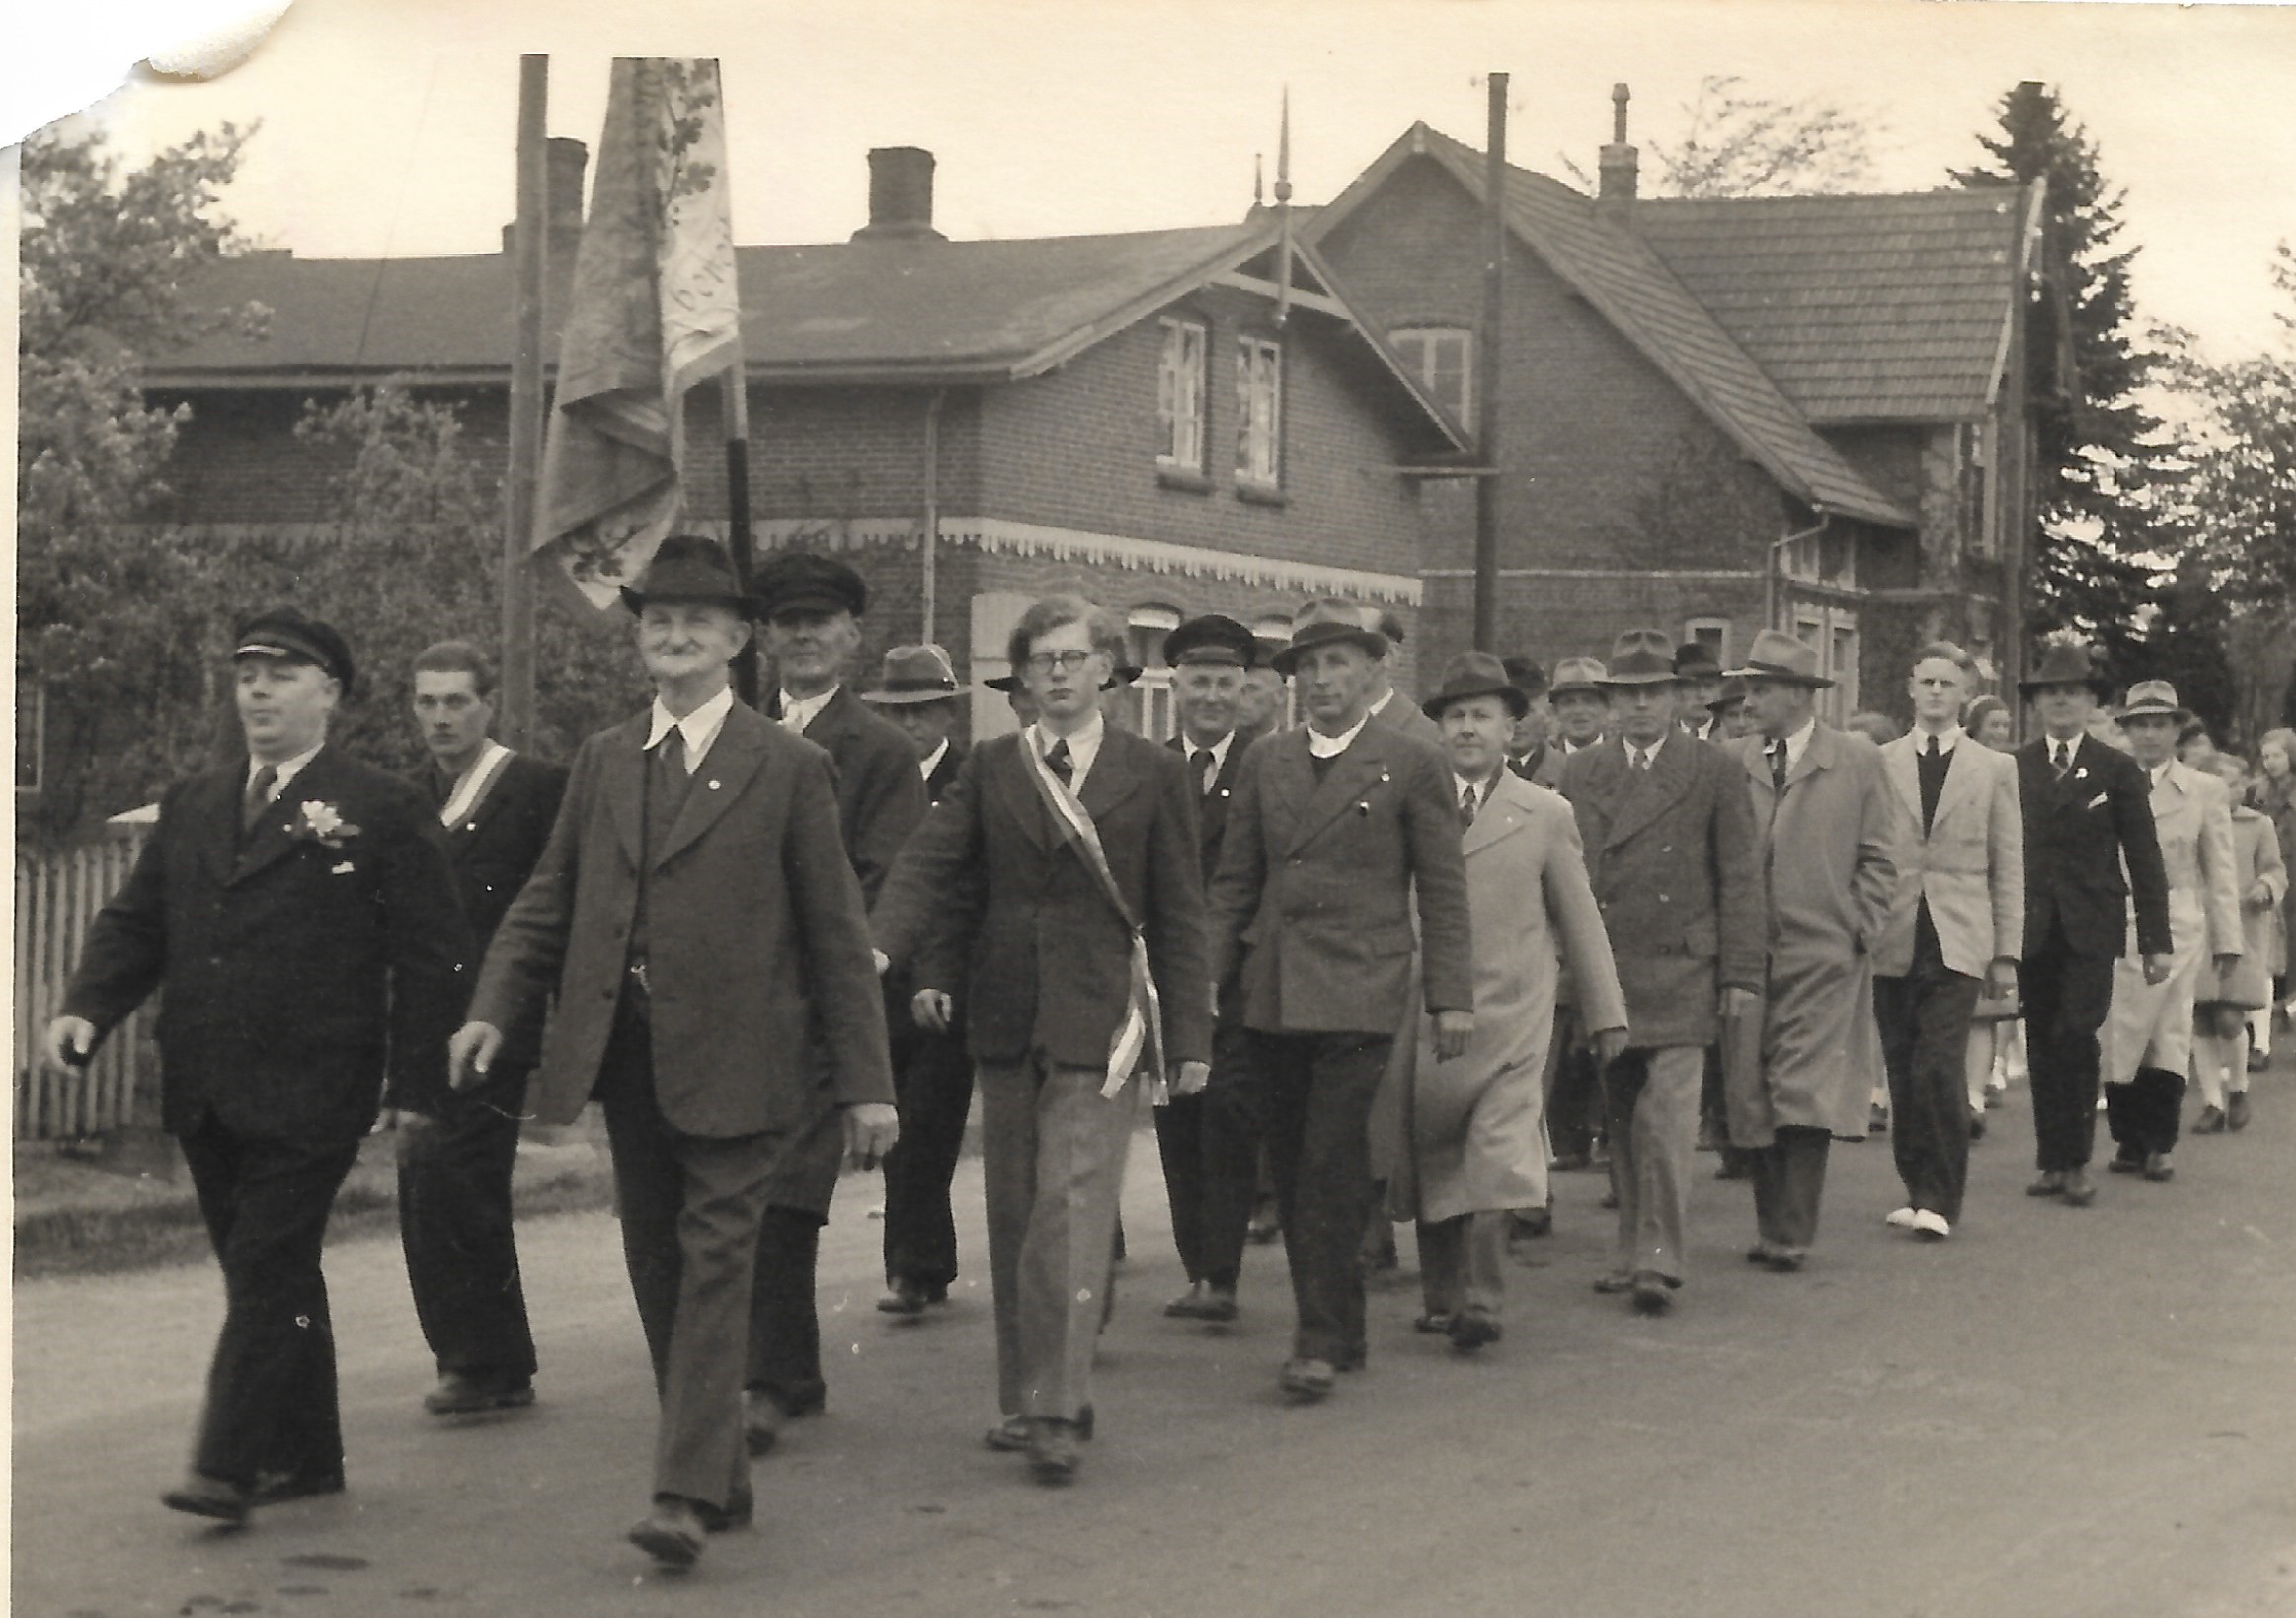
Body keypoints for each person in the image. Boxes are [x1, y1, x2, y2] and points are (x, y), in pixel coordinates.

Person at [452, 536, 897, 1567]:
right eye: (658, 621)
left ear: (739, 641)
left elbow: (836, 937)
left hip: (748, 1071)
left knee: (711, 1276)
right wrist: (493, 1006)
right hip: (628, 1060)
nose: (676, 635)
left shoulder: (789, 766)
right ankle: (718, 1470)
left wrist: (868, 1086)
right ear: (640, 642)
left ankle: (684, 1496)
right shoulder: (608, 760)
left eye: (699, 622)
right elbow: (547, 902)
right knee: (657, 1273)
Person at [48, 608, 469, 1525]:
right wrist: (87, 1007)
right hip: (204, 1084)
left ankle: (225, 1465)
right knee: (266, 1274)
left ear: (330, 695)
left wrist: (416, 1085)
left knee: (270, 1264)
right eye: (248, 676)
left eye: (282, 675)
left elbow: (433, 958)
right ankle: (309, 1455)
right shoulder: (195, 800)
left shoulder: (382, 805)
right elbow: (138, 921)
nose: (260, 692)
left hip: (316, 1086)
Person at [871, 594, 1211, 1487]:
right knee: (1019, 1217)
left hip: (1104, 1023)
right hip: (1007, 1019)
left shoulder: (1153, 772)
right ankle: (1030, 1397)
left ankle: (1057, 1408)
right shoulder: (992, 767)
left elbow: (1179, 912)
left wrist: (1193, 1034)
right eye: (1041, 661)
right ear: (1021, 677)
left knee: (1068, 1213)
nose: (1057, 674)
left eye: (1073, 657)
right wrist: (877, 944)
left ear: (1108, 668)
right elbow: (931, 864)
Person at [1206, 600, 1472, 1403]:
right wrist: (1203, 987)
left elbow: (1444, 890)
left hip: (1362, 988)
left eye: (1336, 665)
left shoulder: (1411, 760)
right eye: (1307, 669)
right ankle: (1341, 1324)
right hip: (1275, 987)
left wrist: (1450, 999)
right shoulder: (1266, 760)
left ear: (1369, 672)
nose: (1321, 681)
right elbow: (1234, 885)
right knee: (1292, 1166)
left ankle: (1315, 1339)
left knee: (1326, 1158)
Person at [745, 551, 929, 1454]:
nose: (804, 637)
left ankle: (768, 1382)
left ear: (853, 636)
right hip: (738, 1006)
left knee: (786, 1195)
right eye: (787, 623)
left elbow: (881, 876)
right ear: (766, 636)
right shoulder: (733, 733)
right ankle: (790, 1368)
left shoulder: (884, 754)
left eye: (821, 623)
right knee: (747, 1190)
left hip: (825, 1004)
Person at [1406, 652, 1625, 1344]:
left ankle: (1482, 1297)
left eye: (1483, 717)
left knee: (1497, 1153)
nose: (1468, 729)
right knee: (1436, 1149)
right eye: (1455, 717)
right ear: (1438, 728)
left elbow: (1578, 916)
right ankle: (1442, 1292)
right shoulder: (1409, 802)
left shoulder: (1543, 813)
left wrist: (1605, 1011)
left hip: (1516, 1012)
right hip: (1430, 1009)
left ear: (1511, 729)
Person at [1558, 629, 1760, 1313]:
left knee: (1667, 1122)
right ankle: (1627, 1247)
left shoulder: (1713, 768)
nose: (1639, 706)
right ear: (1609, 702)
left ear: (1676, 697)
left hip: (1683, 968)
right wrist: (1566, 972)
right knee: (1620, 1118)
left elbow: (1738, 874)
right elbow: (1567, 876)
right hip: (1608, 967)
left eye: (1652, 693)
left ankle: (1657, 1257)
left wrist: (1738, 973)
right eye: (1625, 695)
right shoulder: (1581, 772)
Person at [399, 640, 569, 1416]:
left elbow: (559, 905)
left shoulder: (531, 788)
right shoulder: (405, 798)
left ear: (488, 705)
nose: (441, 717)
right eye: (427, 702)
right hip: (422, 1027)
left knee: (465, 1179)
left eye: (456, 701)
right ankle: (467, 1354)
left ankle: (490, 1361)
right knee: (425, 1182)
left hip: (498, 1022)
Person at [1720, 629, 1900, 1272]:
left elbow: (1883, 853)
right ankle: (1771, 1224)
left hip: (1821, 947)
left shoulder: (1854, 758)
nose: (1748, 700)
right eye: (1747, 687)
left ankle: (1791, 1232)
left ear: (1799, 695)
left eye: (1761, 688)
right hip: (1743, 954)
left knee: (1802, 1086)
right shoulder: (1731, 758)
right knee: (1752, 1087)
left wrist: (1858, 923)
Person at [1869, 644, 2022, 1242]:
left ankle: (1943, 1193)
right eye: (1927, 681)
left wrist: (2006, 952)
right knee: (1903, 1067)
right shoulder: (1880, 762)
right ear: (1911, 689)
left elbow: (2008, 863)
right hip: (1894, 931)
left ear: (1965, 694)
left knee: (1938, 1064)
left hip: (1961, 934)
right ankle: (1915, 1188)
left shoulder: (1992, 768)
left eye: (1947, 684)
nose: (1936, 692)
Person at [2014, 637, 2172, 1208]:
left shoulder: (2116, 768)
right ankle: (2051, 1160)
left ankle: (2075, 1159)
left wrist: (2156, 941)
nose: (2061, 702)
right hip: (2033, 928)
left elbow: (2146, 858)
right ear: (2036, 703)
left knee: (2077, 1039)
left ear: (2090, 703)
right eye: (2051, 693)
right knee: (2040, 1043)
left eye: (2073, 692)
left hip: (2091, 928)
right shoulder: (2015, 766)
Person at [1152, 614, 1272, 1326]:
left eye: (1226, 683)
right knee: (1177, 1126)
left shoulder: (1266, 761)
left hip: (1238, 979)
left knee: (1226, 1120)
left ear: (1245, 688)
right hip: (1166, 981)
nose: (1211, 696)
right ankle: (1197, 1266)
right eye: (1198, 681)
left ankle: (1219, 1276)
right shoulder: (1152, 764)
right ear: (1176, 685)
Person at [859, 644, 975, 1318]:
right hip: (876, 981)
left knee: (927, 1129)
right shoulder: (871, 778)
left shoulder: (968, 779)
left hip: (945, 983)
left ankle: (915, 1267)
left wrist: (942, 972)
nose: (912, 726)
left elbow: (961, 889)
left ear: (947, 714)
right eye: (899, 713)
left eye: (925, 711)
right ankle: (919, 1261)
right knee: (893, 1121)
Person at [2098, 682, 2242, 1184]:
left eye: (2161, 724)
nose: (2151, 735)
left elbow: (2220, 870)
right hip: (2118, 915)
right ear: (2127, 730)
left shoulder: (2204, 790)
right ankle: (2128, 1137)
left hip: (2179, 919)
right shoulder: (2109, 780)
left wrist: (2228, 940)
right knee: (2122, 1030)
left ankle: (2160, 1141)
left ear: (2178, 730)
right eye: (2141, 724)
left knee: (2170, 1029)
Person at [2190, 752, 2284, 1132]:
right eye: (2223, 783)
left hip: (2242, 929)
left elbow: (2276, 868)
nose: (2232, 790)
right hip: (2197, 929)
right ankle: (2212, 1101)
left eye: (2236, 783)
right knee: (2200, 1018)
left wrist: (2266, 886)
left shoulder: (2258, 825)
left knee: (2229, 1017)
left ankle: (2239, 1087)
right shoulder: (2191, 824)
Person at [1961, 694, 2025, 1125]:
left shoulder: (2009, 771)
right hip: (1957, 894)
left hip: (1990, 897)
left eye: (2006, 726)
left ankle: (1976, 1093)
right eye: (1993, 725)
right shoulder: (1964, 766)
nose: (1999, 734)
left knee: (1987, 1009)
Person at [2256, 728, 2296, 1057]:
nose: (2271, 762)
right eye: (2266, 756)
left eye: (2277, 755)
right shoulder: (2257, 793)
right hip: (2270, 875)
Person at [1501, 656, 1565, 786]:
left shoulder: (1571, 772)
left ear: (1549, 714)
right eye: (1507, 712)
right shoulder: (1471, 774)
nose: (1517, 722)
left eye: (1526, 712)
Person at [1548, 656, 1610, 757]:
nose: (1579, 710)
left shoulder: (1627, 759)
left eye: (1589, 701)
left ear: (1606, 708)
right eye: (1569, 702)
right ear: (1555, 711)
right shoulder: (1542, 762)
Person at [1674, 642, 1725, 741]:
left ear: (1719, 690)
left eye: (1709, 686)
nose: (1701, 695)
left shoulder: (1733, 738)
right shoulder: (1661, 737)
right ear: (1676, 690)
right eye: (1693, 687)